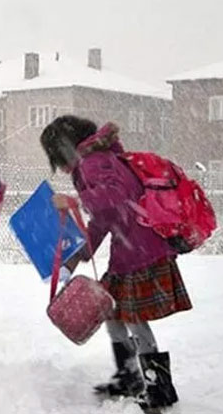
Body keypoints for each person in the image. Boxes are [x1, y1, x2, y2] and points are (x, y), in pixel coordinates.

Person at [40, 116, 192, 411]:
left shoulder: (93, 162)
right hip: (131, 248)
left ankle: (157, 388)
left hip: (140, 250)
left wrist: (73, 199)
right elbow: (104, 218)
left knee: (134, 318)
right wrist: (81, 254)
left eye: (56, 157)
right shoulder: (97, 160)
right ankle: (129, 377)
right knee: (113, 312)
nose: (58, 165)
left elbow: (116, 196)